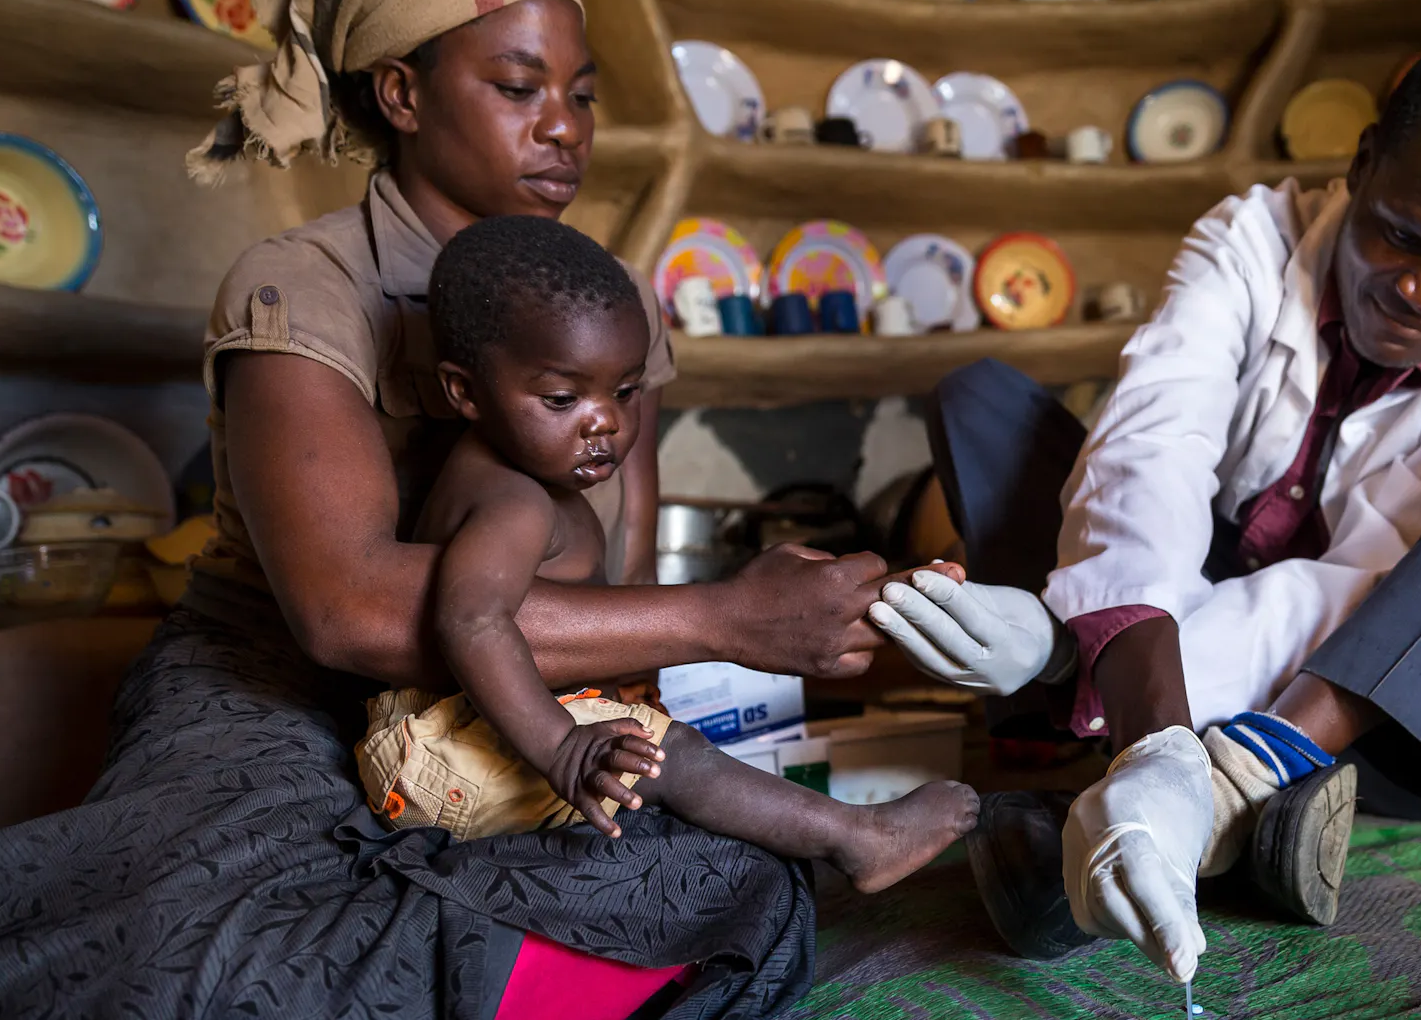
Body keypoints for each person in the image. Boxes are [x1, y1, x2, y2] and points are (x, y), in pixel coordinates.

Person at [0, 0, 902, 1014]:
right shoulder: (307, 286)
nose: (564, 127)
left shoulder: (607, 305)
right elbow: (344, 611)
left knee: (733, 885)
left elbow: (618, 580)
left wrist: (634, 715)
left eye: (581, 95)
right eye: (517, 87)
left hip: (520, 699)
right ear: (401, 91)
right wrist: (724, 616)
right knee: (220, 926)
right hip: (274, 689)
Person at [868, 31, 1421, 983]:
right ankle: (1183, 785)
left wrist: (1089, 663)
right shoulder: (1251, 237)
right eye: (1405, 234)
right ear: (1358, 167)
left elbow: (1392, 596)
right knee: (980, 400)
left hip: (1420, 728)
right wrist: (1137, 698)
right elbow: (1154, 443)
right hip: (1217, 656)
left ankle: (1213, 783)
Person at [357, 214, 978, 888]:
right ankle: (859, 838)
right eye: (563, 398)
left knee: (660, 756)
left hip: (449, 738)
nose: (607, 422)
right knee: (669, 756)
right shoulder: (511, 500)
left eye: (624, 391)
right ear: (465, 392)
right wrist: (562, 745)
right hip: (441, 752)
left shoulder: (518, 476)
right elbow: (471, 620)